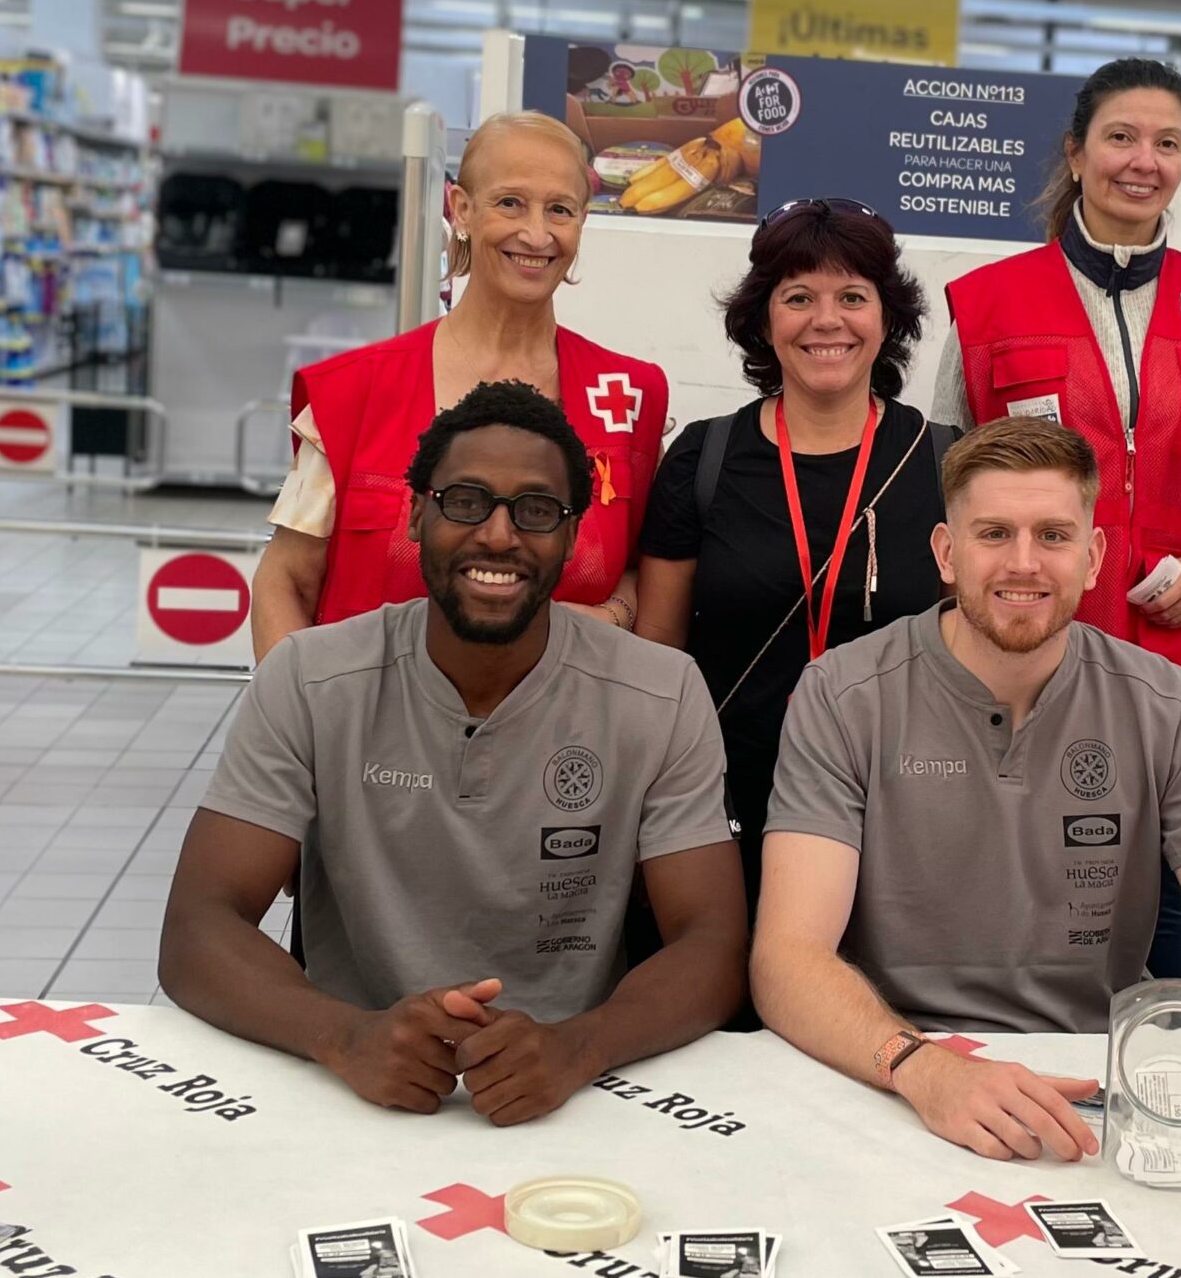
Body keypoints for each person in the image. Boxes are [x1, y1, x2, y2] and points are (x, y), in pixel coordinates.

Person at [750, 418, 1181, 1169]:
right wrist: (924, 1070)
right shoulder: (842, 694)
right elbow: (787, 960)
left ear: (1092, 558)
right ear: (945, 553)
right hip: (893, 1070)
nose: (1023, 564)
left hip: (1092, 1086)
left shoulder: (1161, 701)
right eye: (993, 533)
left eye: (1053, 536)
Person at [162, 381, 748, 1125]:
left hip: (584, 1097)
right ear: (417, 514)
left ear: (572, 537)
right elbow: (198, 926)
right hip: (347, 1088)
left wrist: (580, 1046)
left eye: (536, 510)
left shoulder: (661, 692)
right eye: (465, 501)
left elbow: (714, 944)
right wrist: (345, 1036)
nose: (499, 536)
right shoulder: (311, 678)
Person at [931, 57, 1181, 981]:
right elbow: (945, 466)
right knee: (1010, 871)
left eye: (1167, 144)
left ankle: (1144, 1063)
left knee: (1154, 889)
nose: (1143, 161)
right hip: (1019, 644)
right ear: (1077, 154)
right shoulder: (990, 302)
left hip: (1175, 647)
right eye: (1121, 137)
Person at [252, 110, 666, 656]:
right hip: (371, 725)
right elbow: (285, 580)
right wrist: (300, 719)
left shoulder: (629, 397)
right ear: (462, 208)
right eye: (510, 202)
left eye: (559, 209)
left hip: (560, 728)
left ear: (582, 223)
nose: (537, 233)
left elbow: (646, 573)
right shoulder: (355, 392)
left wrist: (610, 617)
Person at [638, 198, 952, 893]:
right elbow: (658, 663)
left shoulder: (943, 464)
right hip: (722, 812)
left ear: (888, 316)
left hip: (896, 812)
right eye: (799, 297)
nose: (827, 320)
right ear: (763, 319)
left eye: (852, 296)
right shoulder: (703, 459)